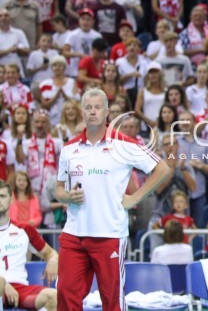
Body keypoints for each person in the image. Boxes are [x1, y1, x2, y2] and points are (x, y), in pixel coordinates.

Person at [54, 88, 170, 310]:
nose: (92, 112)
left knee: (112, 299)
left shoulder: (124, 144)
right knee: (65, 294)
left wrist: (134, 198)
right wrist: (67, 196)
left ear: (107, 112)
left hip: (109, 234)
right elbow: (59, 190)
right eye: (88, 107)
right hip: (73, 234)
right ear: (82, 112)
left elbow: (162, 168)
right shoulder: (69, 149)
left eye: (98, 107)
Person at [0, 180, 58, 310]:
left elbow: (49, 252)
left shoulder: (24, 230)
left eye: (2, 196)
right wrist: (4, 284)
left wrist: (53, 259)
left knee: (53, 296)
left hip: (20, 289)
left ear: (11, 200)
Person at [39, 55, 80, 127]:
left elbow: (77, 102)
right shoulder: (45, 84)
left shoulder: (72, 82)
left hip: (70, 119)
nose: (57, 68)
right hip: (52, 119)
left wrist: (65, 96)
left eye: (60, 65)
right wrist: (57, 96)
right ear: (52, 68)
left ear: (64, 67)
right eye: (55, 65)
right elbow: (44, 105)